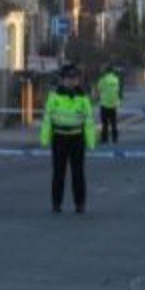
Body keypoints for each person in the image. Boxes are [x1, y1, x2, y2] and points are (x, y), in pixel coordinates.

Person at [41, 64, 97, 213]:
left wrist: (91, 141)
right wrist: (45, 138)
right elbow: (48, 118)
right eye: (68, 79)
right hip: (59, 138)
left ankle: (80, 204)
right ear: (62, 80)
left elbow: (89, 121)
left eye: (74, 79)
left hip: (76, 138)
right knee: (58, 173)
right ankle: (56, 203)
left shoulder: (83, 99)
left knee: (78, 173)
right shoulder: (54, 97)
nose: (71, 82)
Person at [97, 65, 121, 144]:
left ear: (106, 71)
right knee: (114, 123)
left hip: (104, 104)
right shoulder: (116, 80)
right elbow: (117, 91)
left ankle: (105, 138)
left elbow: (99, 89)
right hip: (113, 104)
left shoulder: (103, 80)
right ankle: (115, 138)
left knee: (105, 123)